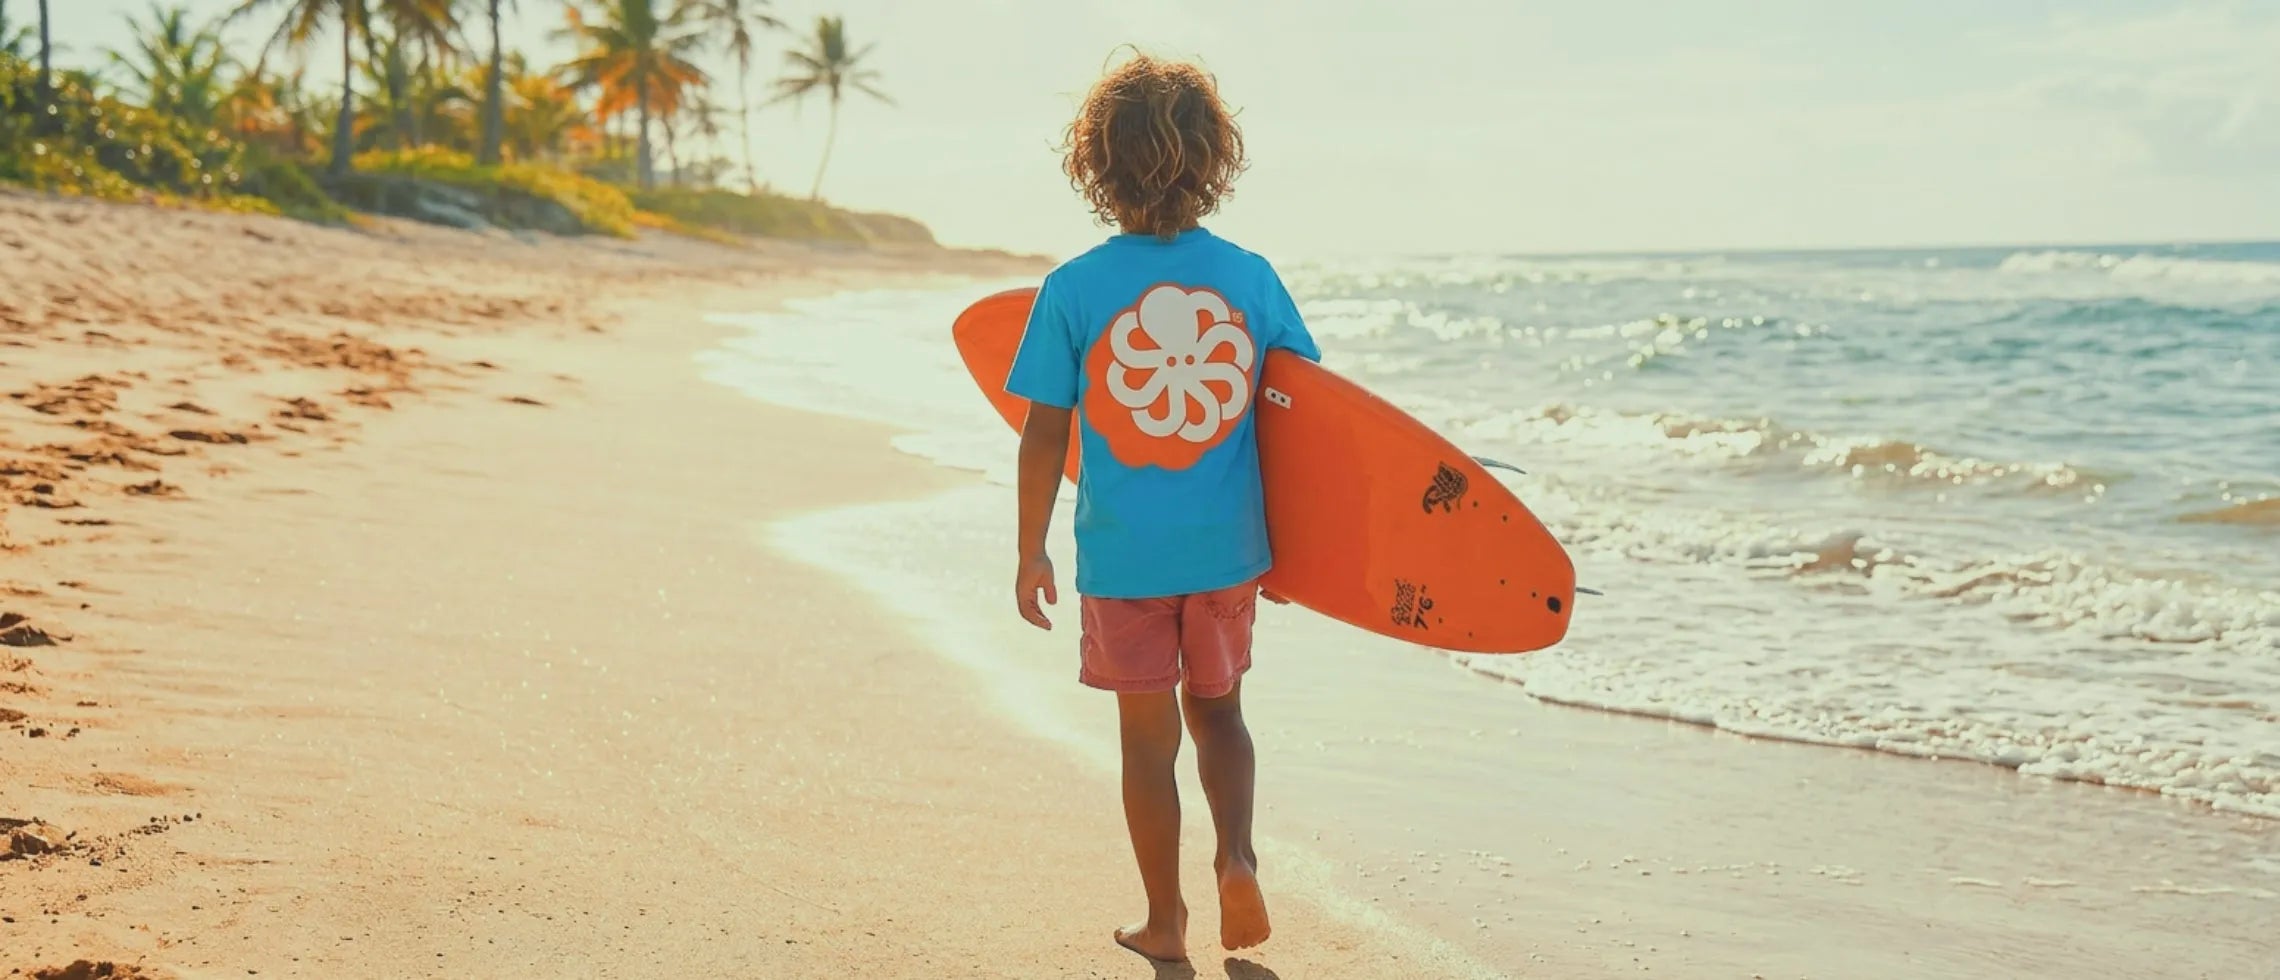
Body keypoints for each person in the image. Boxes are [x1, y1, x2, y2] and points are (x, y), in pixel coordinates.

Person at [1004, 52, 1320, 964]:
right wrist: (1299, 559)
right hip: (1226, 556)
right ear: (1215, 160)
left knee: (1148, 747)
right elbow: (1302, 425)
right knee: (1220, 714)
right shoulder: (1252, 279)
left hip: (1123, 562)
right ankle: (1238, 856)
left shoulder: (1072, 289)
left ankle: (1165, 922)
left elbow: (1041, 436)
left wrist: (1032, 552)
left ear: (1095, 165)